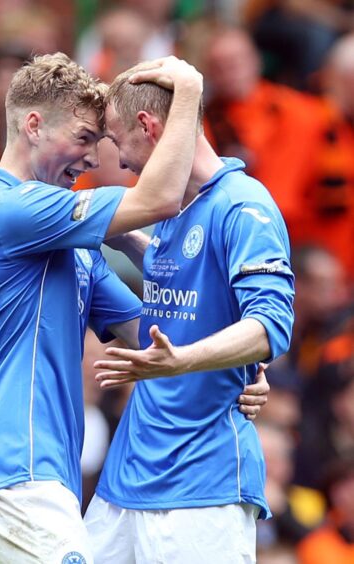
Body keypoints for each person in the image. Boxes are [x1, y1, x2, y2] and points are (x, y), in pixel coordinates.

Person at [0, 52, 203, 563]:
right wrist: (190, 95)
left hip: (35, 477)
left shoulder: (69, 245)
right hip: (15, 472)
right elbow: (159, 199)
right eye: (85, 139)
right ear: (34, 125)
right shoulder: (12, 208)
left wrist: (239, 362)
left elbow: (154, 335)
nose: (92, 159)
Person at [85, 60, 295, 563]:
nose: (119, 162)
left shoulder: (244, 204)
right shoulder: (174, 212)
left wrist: (183, 359)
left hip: (203, 486)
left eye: (117, 143)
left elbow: (270, 327)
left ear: (148, 127)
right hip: (126, 479)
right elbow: (182, 281)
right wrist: (120, 238)